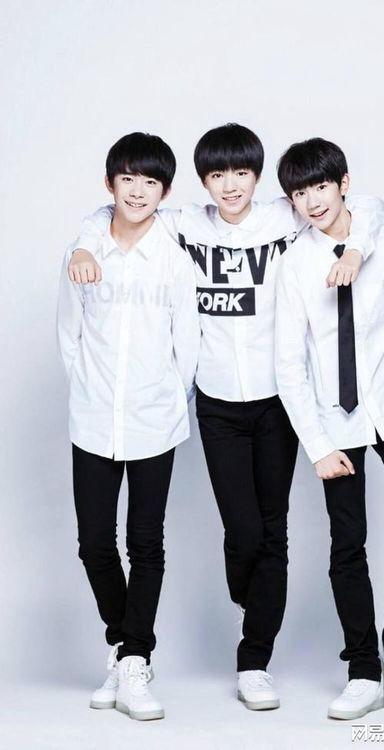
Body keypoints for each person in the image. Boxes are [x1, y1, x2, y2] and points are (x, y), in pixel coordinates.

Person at [66, 123, 384, 710]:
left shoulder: (284, 218)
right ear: (201, 182)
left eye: (241, 173)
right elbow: (114, 214)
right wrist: (85, 245)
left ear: (258, 178)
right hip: (216, 403)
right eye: (217, 174)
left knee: (273, 532)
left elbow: (364, 206)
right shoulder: (184, 224)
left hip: (279, 400)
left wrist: (359, 247)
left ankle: (254, 660)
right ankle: (237, 601)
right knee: (243, 534)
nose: (230, 185)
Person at [275, 137, 384, 720]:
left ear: (343, 183)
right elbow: (288, 364)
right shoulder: (295, 264)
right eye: (299, 192)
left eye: (321, 185)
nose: (312, 200)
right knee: (348, 543)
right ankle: (364, 668)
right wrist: (317, 445)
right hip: (334, 418)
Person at [57, 132, 200, 721]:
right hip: (93, 418)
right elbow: (68, 335)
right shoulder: (83, 254)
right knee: (94, 543)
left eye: (150, 181)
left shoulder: (175, 257)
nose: (138, 191)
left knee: (146, 542)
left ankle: (135, 659)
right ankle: (124, 645)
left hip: (154, 421)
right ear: (109, 183)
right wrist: (90, 390)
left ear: (165, 191)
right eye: (128, 179)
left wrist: (166, 398)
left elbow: (186, 344)